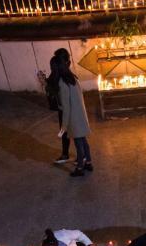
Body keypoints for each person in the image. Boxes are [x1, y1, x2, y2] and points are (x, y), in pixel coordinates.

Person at [56, 48, 93, 177]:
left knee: (79, 144)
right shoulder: (73, 78)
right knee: (84, 141)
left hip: (74, 119)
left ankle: (80, 168)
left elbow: (66, 107)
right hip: (81, 116)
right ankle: (88, 163)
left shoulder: (63, 82)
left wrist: (63, 127)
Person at [40, 53, 71, 164]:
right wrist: (45, 81)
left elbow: (56, 91)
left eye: (53, 66)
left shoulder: (65, 77)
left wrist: (47, 86)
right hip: (62, 109)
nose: (51, 68)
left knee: (74, 133)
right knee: (67, 133)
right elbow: (51, 84)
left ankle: (82, 158)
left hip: (66, 109)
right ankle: (67, 154)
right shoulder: (57, 74)